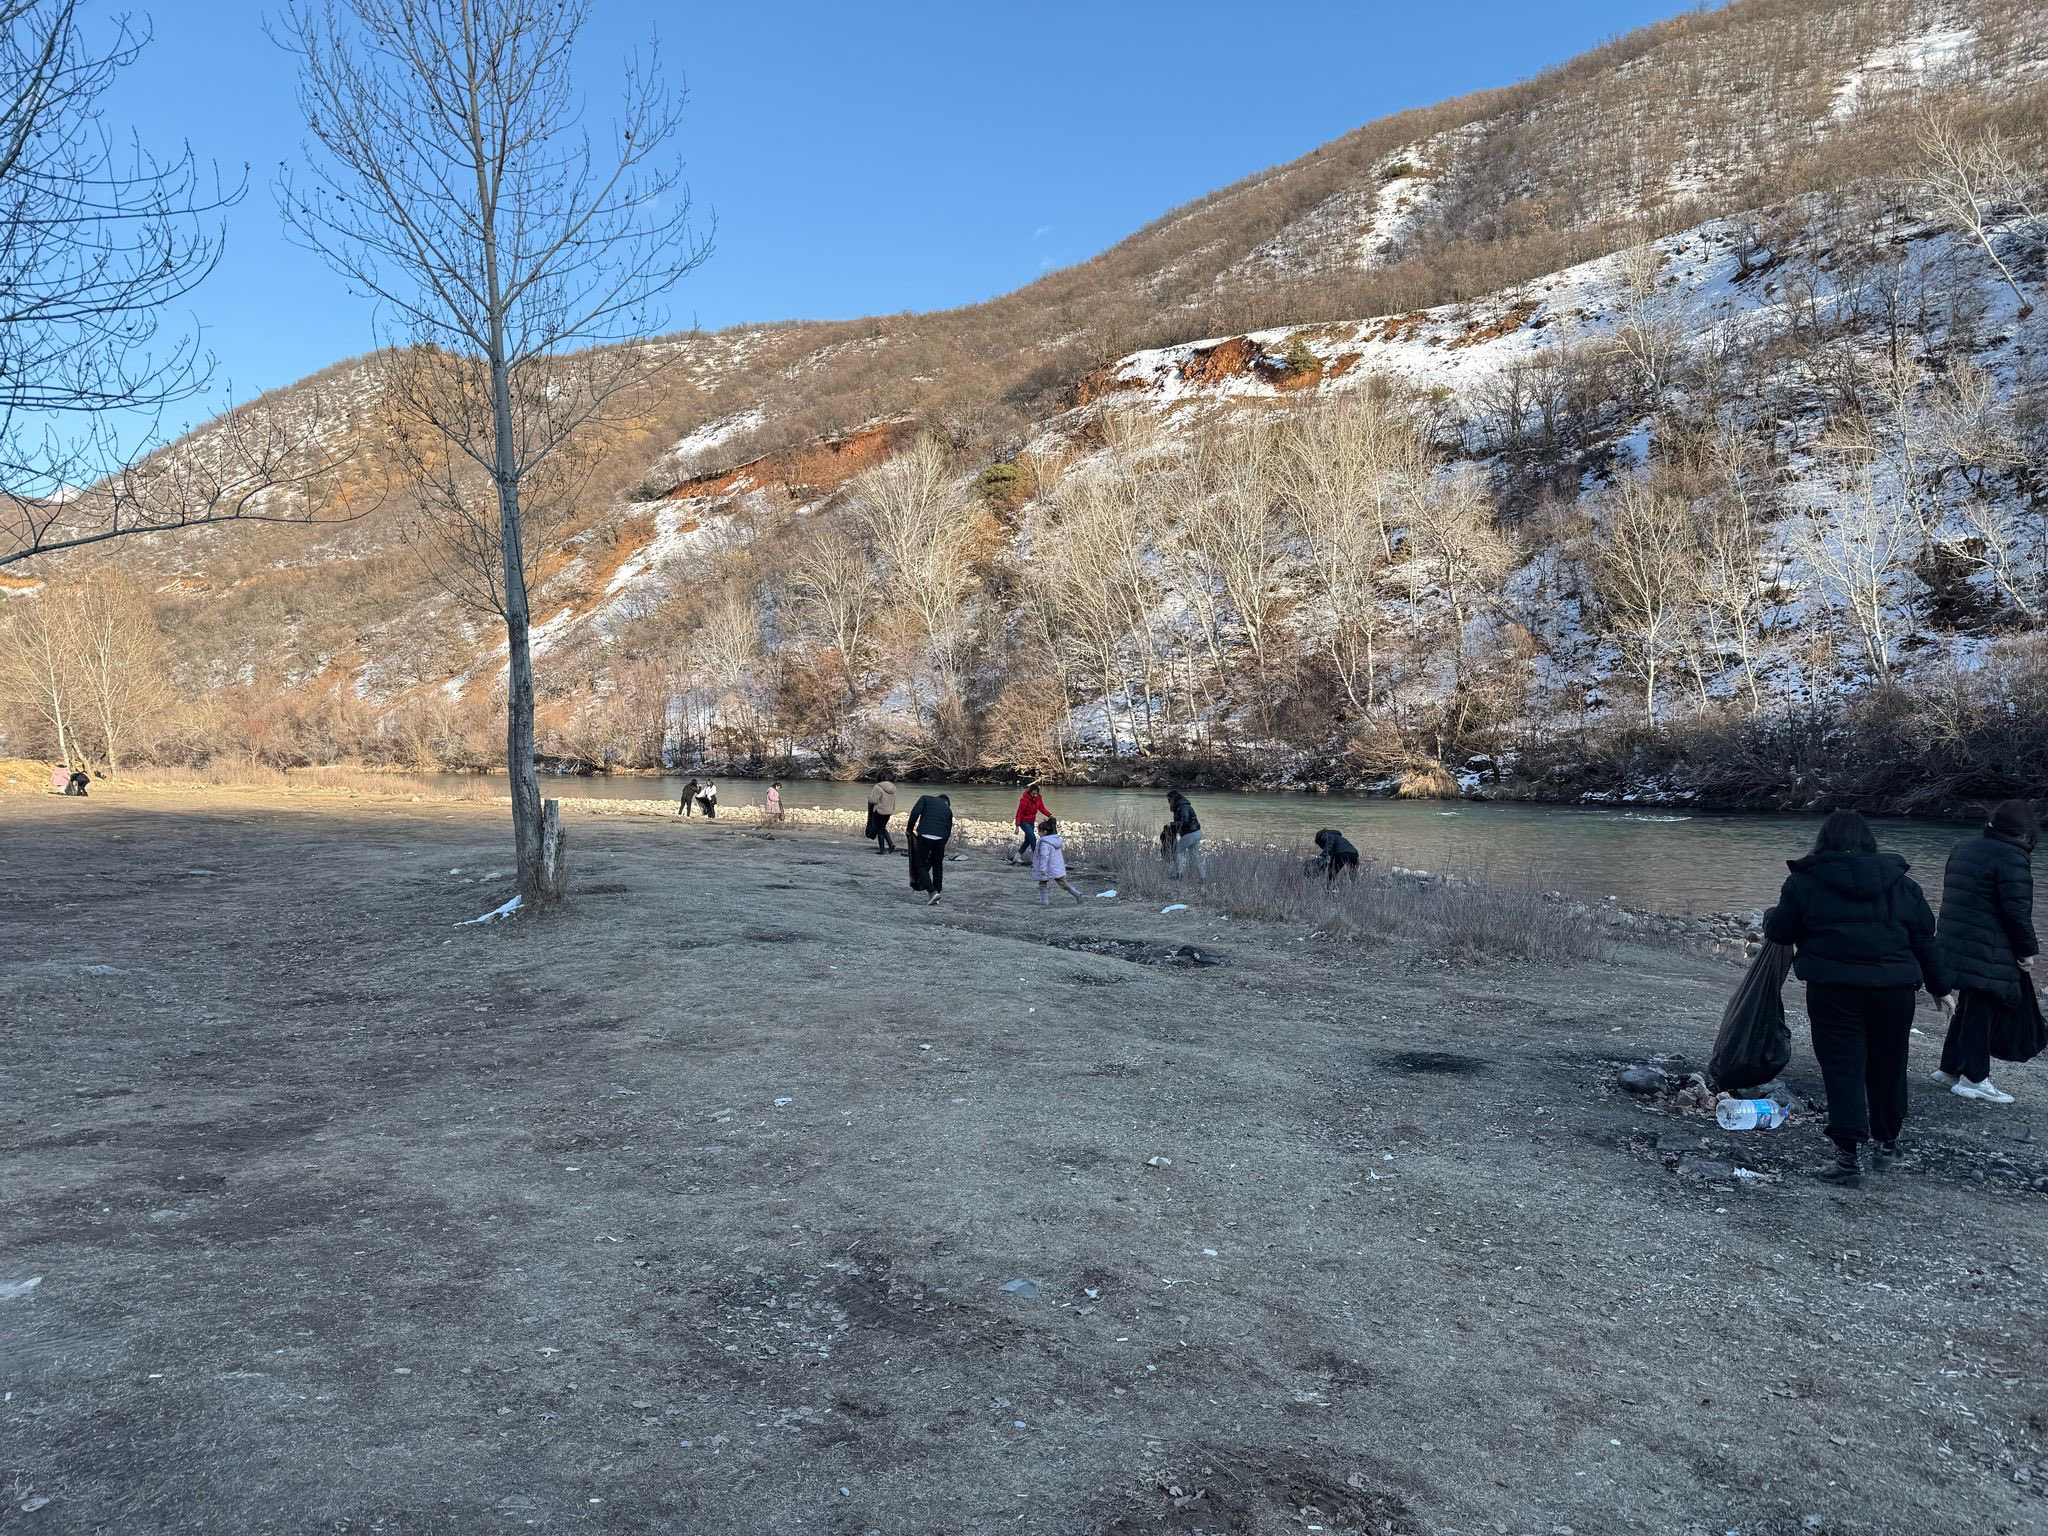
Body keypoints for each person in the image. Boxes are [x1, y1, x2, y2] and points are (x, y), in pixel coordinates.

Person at [1763, 810, 1953, 1187]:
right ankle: (1887, 1144)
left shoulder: (1805, 881)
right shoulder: (1903, 885)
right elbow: (1924, 941)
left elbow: (1781, 932)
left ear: (1825, 840)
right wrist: (1941, 988)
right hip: (1894, 991)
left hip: (1833, 991)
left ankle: (1848, 1159)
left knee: (1842, 1067)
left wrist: (1772, 916)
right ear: (1871, 842)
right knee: (1889, 1063)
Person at [1934, 799, 2039, 1105]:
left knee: (1969, 1004)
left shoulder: (1964, 847)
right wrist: (2027, 951)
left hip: (1956, 942)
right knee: (1982, 1007)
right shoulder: (2012, 858)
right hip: (1988, 946)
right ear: (2024, 830)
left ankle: (1950, 1068)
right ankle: (1974, 1079)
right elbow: (2017, 912)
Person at [905, 791, 953, 906]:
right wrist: (941, 846)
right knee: (937, 866)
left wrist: (909, 829)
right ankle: (937, 894)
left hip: (925, 835)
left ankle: (932, 892)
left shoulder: (925, 799)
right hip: (941, 838)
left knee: (920, 864)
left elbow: (915, 812)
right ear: (947, 803)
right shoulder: (948, 810)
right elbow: (948, 831)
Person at [1032, 817, 1084, 906]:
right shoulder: (1056, 841)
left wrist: (1042, 869)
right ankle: (1076, 893)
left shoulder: (1044, 843)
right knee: (1063, 883)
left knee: (1042, 884)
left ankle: (1045, 902)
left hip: (1047, 868)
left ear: (1044, 832)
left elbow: (1044, 856)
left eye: (1039, 831)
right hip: (1056, 867)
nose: (1038, 833)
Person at [1166, 790, 1203, 881]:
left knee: (1177, 851)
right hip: (1196, 832)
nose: (1169, 803)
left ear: (1174, 799)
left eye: (1169, 800)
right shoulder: (1184, 806)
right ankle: (1203, 878)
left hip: (1190, 833)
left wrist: (1172, 825)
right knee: (1195, 856)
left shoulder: (1182, 807)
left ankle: (1180, 875)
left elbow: (1185, 821)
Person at [1010, 781, 1048, 865]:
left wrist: (1050, 815)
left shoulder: (1038, 798)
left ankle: (1017, 856)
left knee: (1027, 840)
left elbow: (1042, 808)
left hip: (1031, 821)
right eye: (1033, 794)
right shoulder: (1024, 800)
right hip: (1024, 821)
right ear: (1029, 792)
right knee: (1033, 838)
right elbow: (1019, 813)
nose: (1035, 795)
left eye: (1036, 794)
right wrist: (1017, 826)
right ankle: (1037, 859)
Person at [865, 779, 898, 854]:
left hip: (879, 811)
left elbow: (874, 800)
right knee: (882, 828)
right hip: (889, 811)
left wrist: (869, 798)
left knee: (879, 829)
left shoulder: (878, 787)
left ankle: (882, 849)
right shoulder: (892, 787)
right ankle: (891, 845)